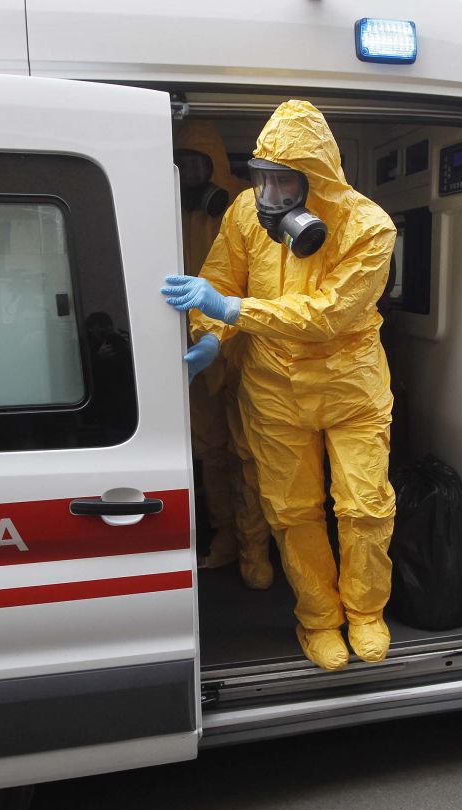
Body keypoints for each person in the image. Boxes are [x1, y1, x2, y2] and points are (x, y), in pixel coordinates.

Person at [162, 100, 397, 672]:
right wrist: (213, 337)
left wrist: (234, 310)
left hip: (350, 388)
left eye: (284, 181)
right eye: (262, 178)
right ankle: (317, 618)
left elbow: (326, 316)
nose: (269, 195)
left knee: (365, 507)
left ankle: (366, 611)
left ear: (317, 181)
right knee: (293, 511)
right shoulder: (244, 212)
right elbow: (220, 277)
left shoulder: (369, 227)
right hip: (272, 386)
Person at [175, 120, 274, 587]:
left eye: (201, 160)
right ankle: (227, 539)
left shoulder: (245, 208)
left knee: (252, 456)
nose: (193, 170)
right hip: (201, 344)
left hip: (249, 347)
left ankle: (257, 549)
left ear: (214, 162)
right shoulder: (173, 208)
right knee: (211, 451)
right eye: (185, 161)